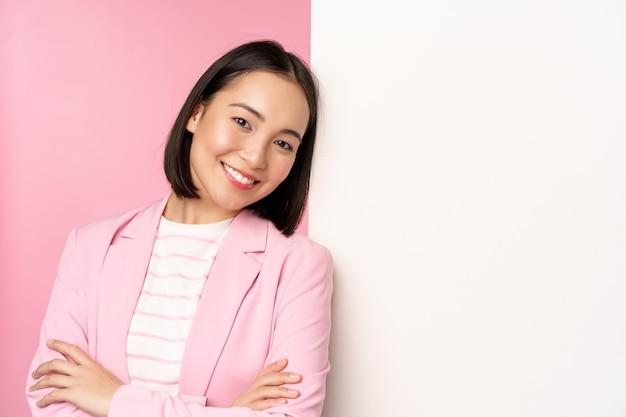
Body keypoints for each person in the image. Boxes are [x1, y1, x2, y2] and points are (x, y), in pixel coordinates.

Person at [25, 39, 333, 417]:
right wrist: (229, 411)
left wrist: (113, 399)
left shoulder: (299, 265)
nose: (256, 157)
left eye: (283, 143)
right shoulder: (90, 247)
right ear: (197, 114)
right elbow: (50, 399)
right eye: (242, 122)